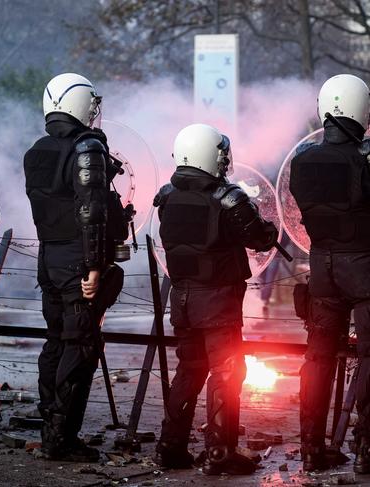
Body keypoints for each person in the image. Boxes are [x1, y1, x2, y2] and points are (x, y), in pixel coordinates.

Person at [289, 74, 370, 473]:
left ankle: (312, 447)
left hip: (324, 268)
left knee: (318, 357)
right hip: (367, 267)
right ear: (357, 107)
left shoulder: (302, 159)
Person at [153, 123, 278, 475]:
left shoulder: (166, 197)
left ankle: (170, 447)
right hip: (218, 301)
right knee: (227, 372)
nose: (225, 162)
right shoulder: (228, 199)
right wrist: (265, 227)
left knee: (188, 372)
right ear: (211, 156)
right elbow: (259, 236)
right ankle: (221, 452)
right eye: (221, 155)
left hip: (183, 299)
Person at [24, 73, 126, 462]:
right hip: (76, 259)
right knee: (80, 344)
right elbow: (91, 211)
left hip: (48, 257)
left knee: (55, 340)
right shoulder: (87, 148)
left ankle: (49, 422)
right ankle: (61, 439)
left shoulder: (36, 150)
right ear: (82, 104)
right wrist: (95, 265)